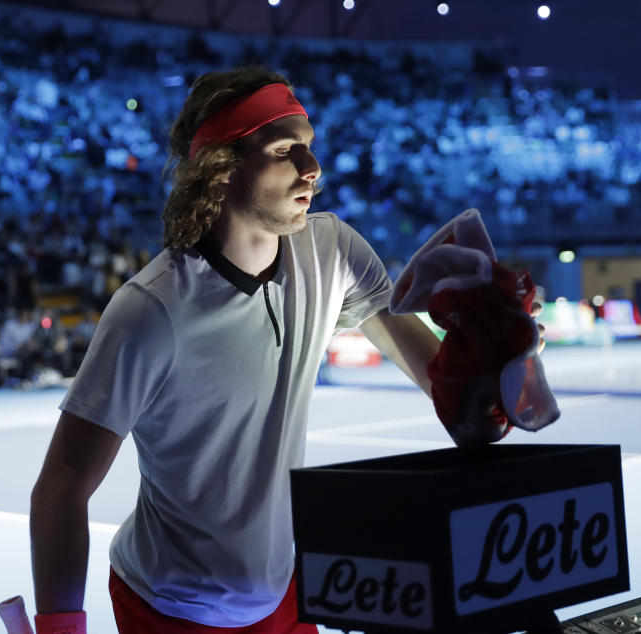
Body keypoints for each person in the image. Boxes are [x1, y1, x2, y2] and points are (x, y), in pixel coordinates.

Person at [29, 67, 531, 634]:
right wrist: (59, 629)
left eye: (310, 147)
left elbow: (456, 406)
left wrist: (493, 365)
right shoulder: (152, 309)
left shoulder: (334, 250)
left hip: (286, 592)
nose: (312, 168)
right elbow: (62, 485)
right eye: (285, 150)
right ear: (220, 168)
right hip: (169, 606)